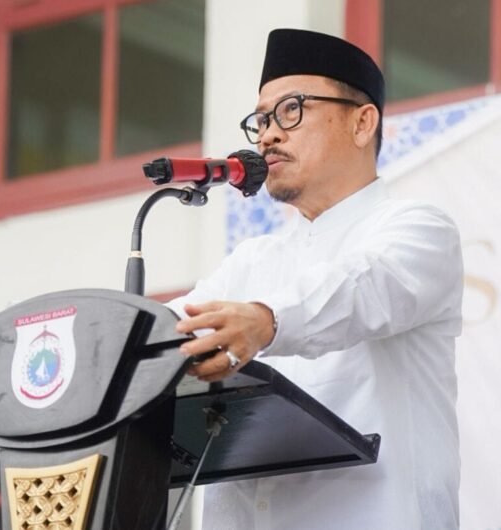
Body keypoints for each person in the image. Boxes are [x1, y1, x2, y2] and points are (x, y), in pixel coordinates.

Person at [167, 28, 463, 530]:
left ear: (362, 123)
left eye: (292, 110)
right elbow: (171, 329)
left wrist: (265, 321)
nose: (268, 136)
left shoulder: (419, 229)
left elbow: (362, 288)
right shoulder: (253, 261)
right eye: (262, 120)